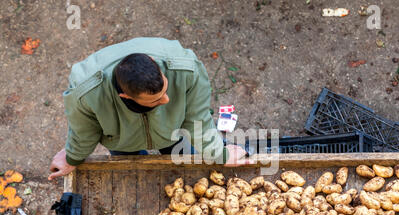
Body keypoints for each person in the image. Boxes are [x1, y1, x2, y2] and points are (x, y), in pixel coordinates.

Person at [48, 37, 251, 181]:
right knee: (132, 173)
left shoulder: (185, 69)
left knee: (183, 160)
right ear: (125, 96)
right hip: (123, 140)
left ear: (154, 63)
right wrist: (73, 156)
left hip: (173, 132)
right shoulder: (86, 94)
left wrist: (219, 154)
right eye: (155, 100)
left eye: (165, 89)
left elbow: (197, 118)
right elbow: (84, 132)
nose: (167, 100)